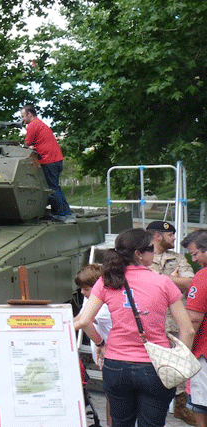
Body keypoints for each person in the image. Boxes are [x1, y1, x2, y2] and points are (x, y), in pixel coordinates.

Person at [74, 228, 194, 427]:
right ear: (139, 254)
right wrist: (178, 360)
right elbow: (188, 330)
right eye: (151, 249)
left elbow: (85, 320)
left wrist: (101, 343)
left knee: (120, 423)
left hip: (116, 365)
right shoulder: (163, 282)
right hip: (155, 366)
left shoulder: (106, 281)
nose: (154, 253)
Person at [147, 220, 196, 424]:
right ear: (157, 236)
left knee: (175, 371)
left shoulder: (177, 258)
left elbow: (191, 282)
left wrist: (158, 277)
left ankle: (179, 406)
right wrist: (170, 279)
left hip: (173, 324)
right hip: (149, 324)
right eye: (170, 235)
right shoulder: (141, 257)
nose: (174, 238)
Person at [20, 104, 74, 223]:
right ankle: (64, 212)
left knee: (52, 188)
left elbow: (27, 143)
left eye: (23, 116)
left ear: (30, 114)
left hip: (49, 160)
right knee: (55, 187)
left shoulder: (32, 125)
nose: (23, 120)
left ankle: (64, 214)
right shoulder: (41, 124)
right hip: (56, 159)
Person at [73, 263, 112, 426]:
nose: (82, 292)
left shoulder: (103, 307)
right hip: (107, 358)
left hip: (112, 355)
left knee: (114, 399)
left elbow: (81, 322)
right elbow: (78, 319)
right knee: (111, 396)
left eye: (86, 288)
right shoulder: (92, 300)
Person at [182, 229, 207, 426]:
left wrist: (182, 352)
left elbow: (193, 320)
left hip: (204, 353)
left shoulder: (202, 277)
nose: (194, 260)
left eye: (195, 254)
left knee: (201, 409)